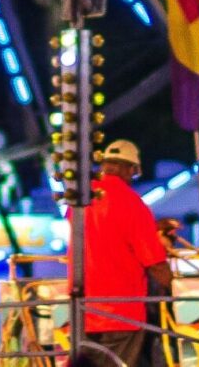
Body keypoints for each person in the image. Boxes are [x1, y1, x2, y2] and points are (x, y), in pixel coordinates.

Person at [80, 141, 171, 367]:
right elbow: (155, 263)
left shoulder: (82, 200)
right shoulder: (131, 203)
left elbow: (104, 232)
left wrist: (153, 226)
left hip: (83, 310)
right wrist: (179, 289)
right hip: (120, 312)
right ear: (130, 169)